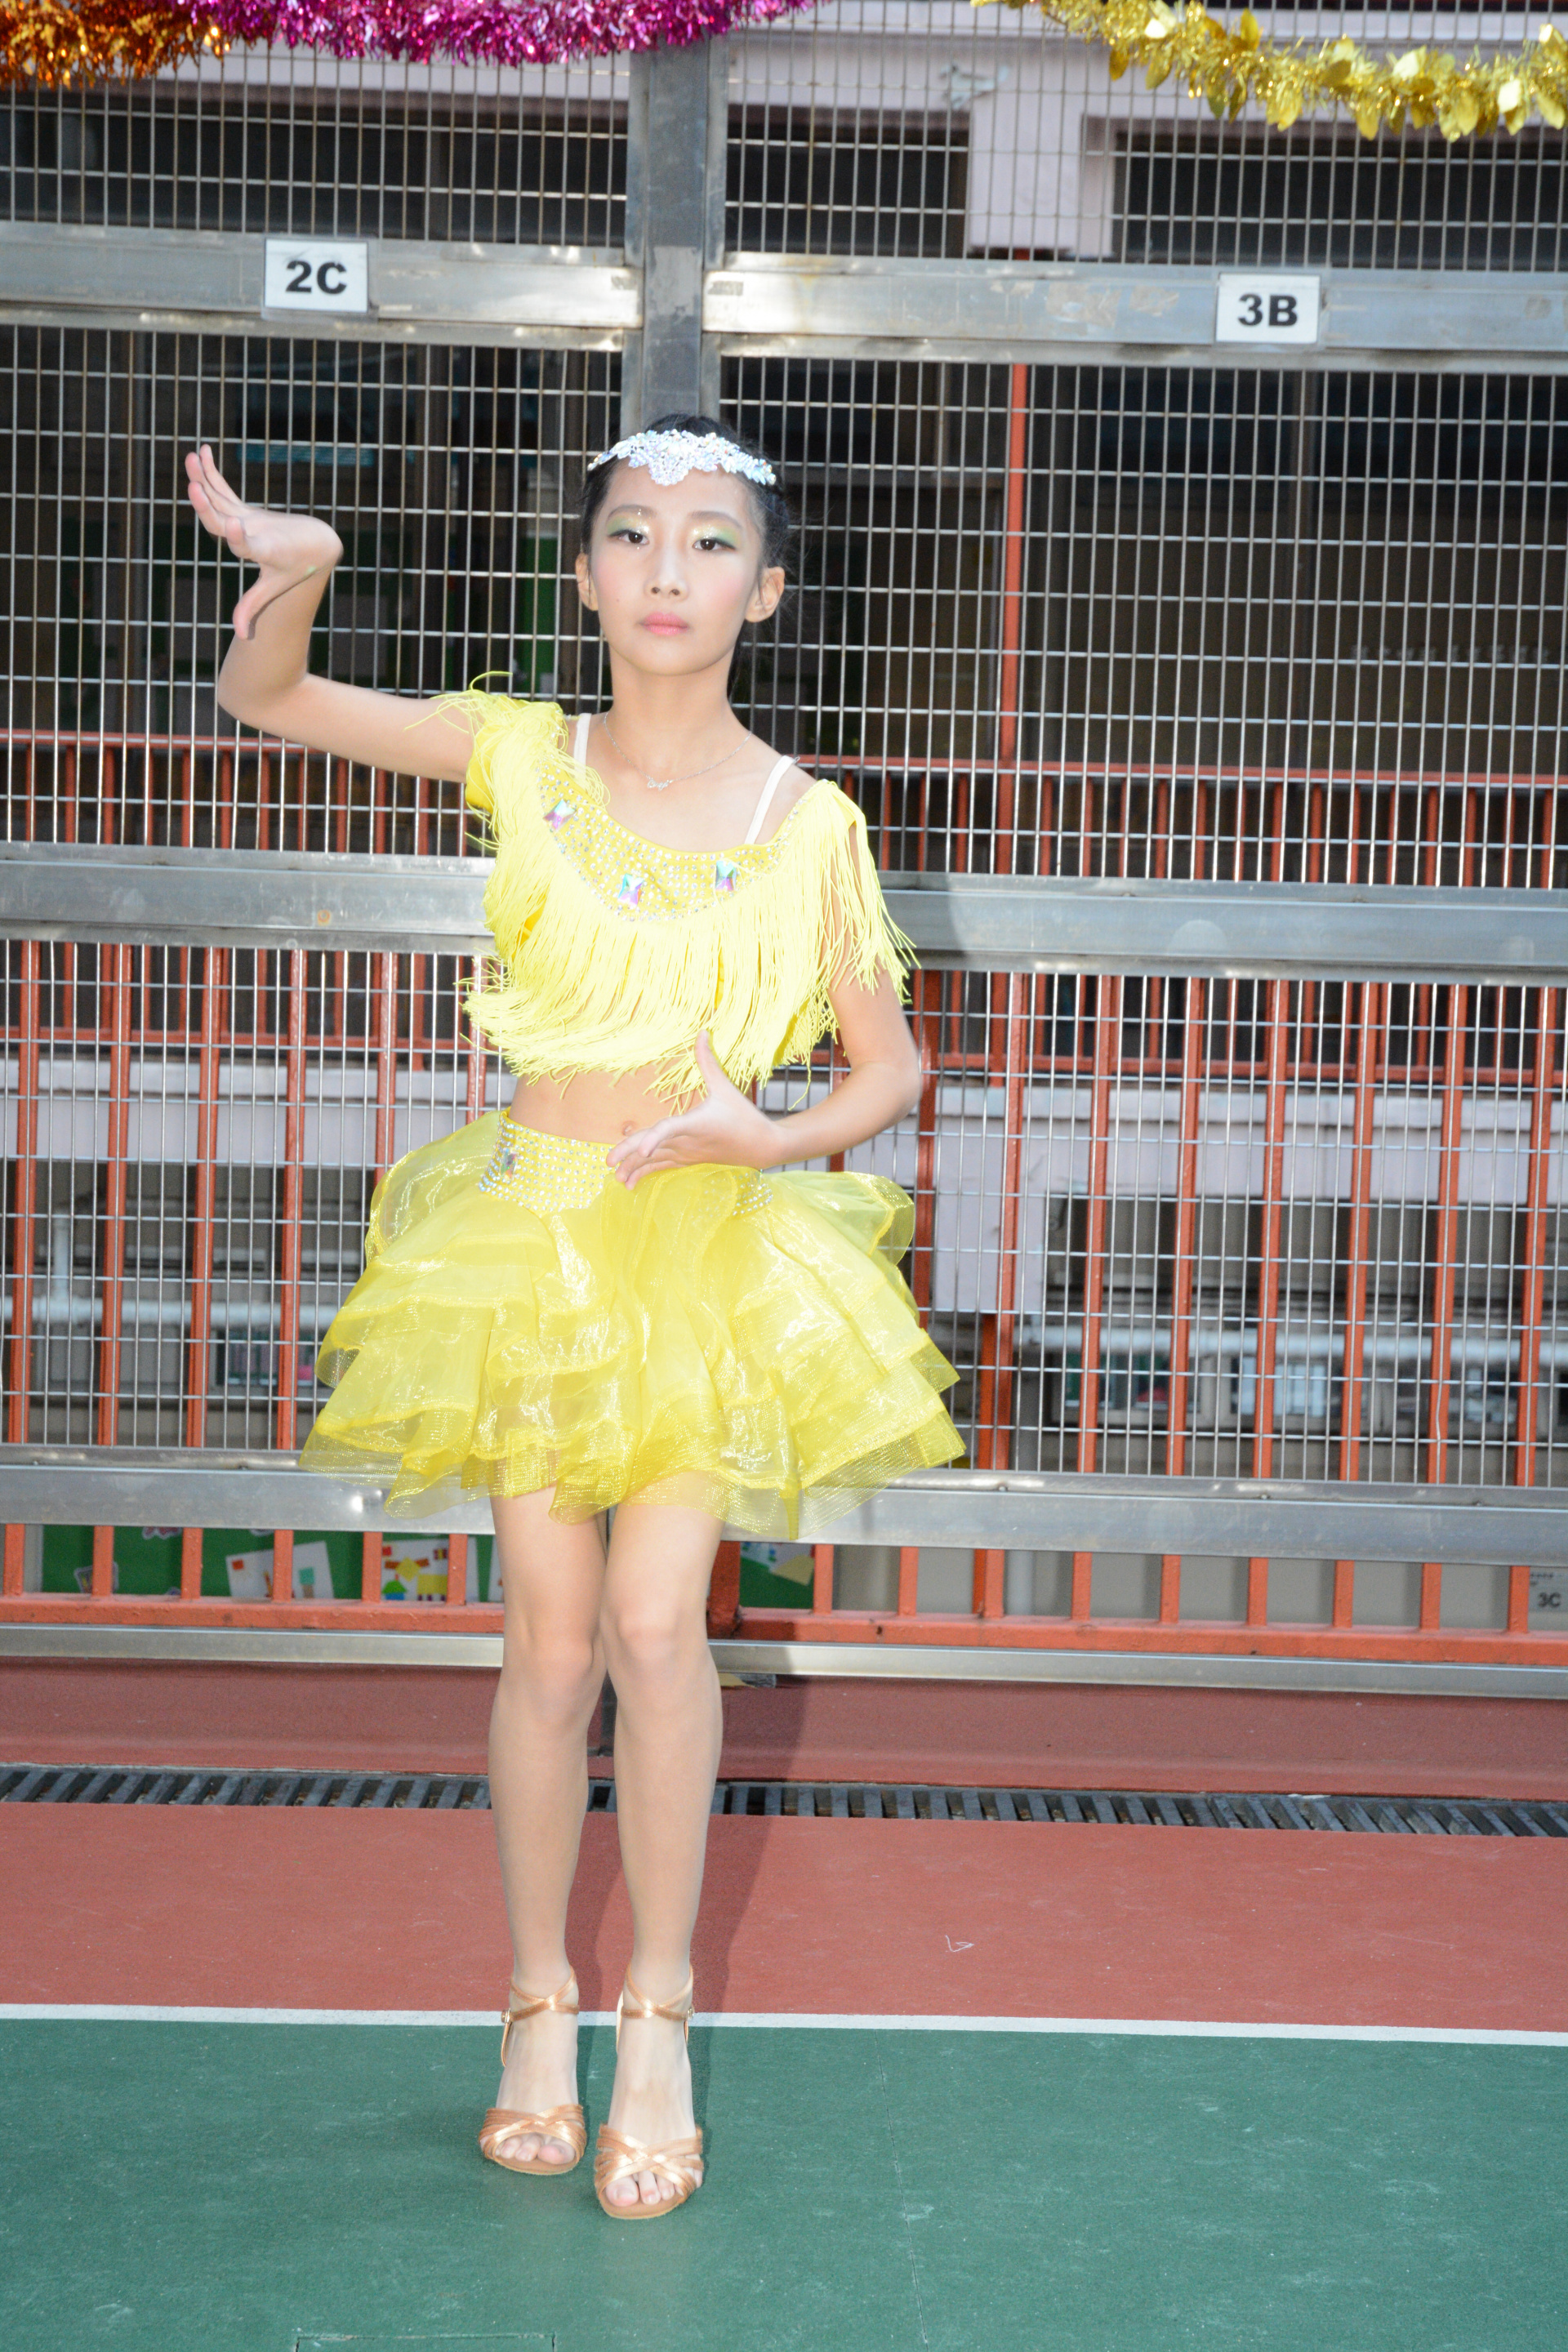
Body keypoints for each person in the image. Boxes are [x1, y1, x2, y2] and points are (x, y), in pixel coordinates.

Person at [185, 415, 962, 2220]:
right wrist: (299, 573)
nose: (667, 570)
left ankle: (658, 2012)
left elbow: (890, 1066)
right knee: (545, 1651)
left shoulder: (809, 826)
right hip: (529, 1244)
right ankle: (537, 1999)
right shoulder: (522, 756)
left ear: (767, 590)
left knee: (654, 1624)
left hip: (706, 1250)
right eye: (632, 535)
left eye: (710, 542)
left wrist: (770, 1136)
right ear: (587, 575)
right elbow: (267, 700)